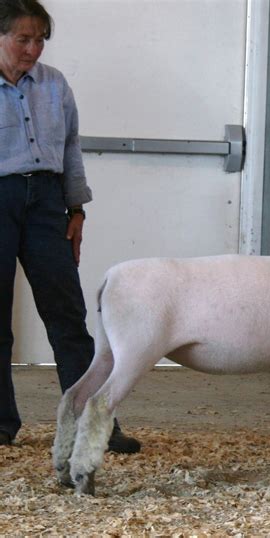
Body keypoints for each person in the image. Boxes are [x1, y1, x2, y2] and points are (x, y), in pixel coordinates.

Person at [0, 0, 140, 453]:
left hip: (46, 199)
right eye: (23, 38)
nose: (34, 49)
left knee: (67, 313)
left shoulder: (54, 85)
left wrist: (76, 209)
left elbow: (71, 149)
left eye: (40, 39)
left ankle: (94, 421)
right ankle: (2, 423)